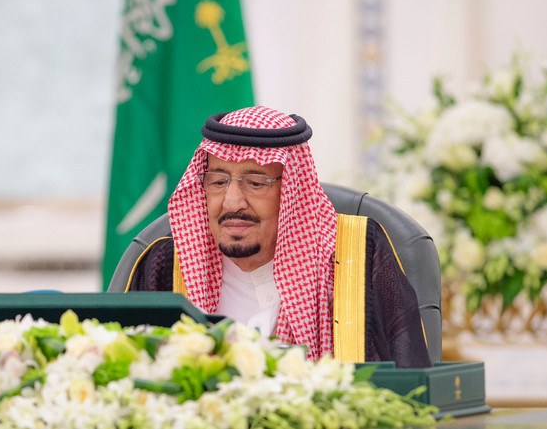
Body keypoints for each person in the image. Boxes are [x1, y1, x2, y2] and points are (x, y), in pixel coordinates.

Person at [126, 106, 432, 367]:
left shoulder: (359, 255)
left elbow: (410, 391)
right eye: (218, 181)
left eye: (256, 183)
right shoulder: (165, 267)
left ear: (292, 193)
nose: (232, 202)